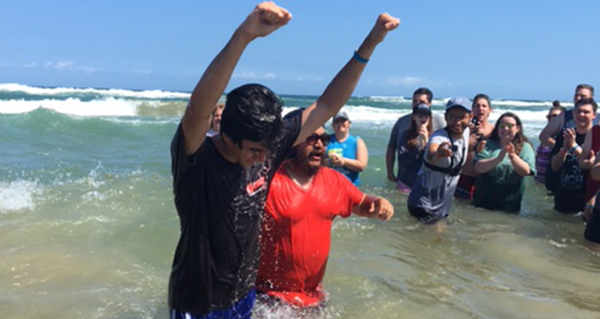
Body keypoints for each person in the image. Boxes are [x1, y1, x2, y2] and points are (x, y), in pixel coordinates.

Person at [168, 3, 400, 318]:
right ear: (226, 135)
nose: (263, 158)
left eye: (267, 149)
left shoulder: (268, 144)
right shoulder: (196, 161)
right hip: (198, 302)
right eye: (253, 150)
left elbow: (327, 103)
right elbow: (198, 108)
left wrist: (369, 44)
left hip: (244, 295)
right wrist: (244, 36)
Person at [255, 126, 393, 313]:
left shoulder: (334, 181)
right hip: (271, 298)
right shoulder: (270, 180)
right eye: (311, 138)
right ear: (294, 142)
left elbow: (362, 204)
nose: (319, 145)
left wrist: (378, 202)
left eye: (324, 139)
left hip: (313, 298)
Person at [407, 97, 472, 224]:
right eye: (452, 117)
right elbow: (431, 153)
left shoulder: (467, 131)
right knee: (437, 239)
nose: (457, 122)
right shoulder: (438, 137)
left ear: (470, 117)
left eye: (461, 117)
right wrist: (439, 153)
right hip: (422, 204)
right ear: (446, 117)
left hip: (442, 206)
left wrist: (477, 147)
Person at [472, 112, 536, 213]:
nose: (505, 129)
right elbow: (477, 167)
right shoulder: (488, 144)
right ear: (497, 128)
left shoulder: (525, 147)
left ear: (517, 128)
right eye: (502, 125)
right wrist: (498, 159)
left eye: (510, 126)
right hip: (483, 203)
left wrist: (513, 156)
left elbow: (526, 171)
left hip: (510, 205)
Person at [386, 87, 446, 183]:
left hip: (429, 180)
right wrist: (390, 173)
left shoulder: (440, 122)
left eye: (421, 101)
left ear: (429, 103)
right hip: (405, 178)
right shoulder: (402, 122)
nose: (417, 104)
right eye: (415, 101)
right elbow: (391, 147)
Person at [550, 99, 596, 213]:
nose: (581, 115)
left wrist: (574, 146)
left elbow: (592, 164)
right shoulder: (566, 134)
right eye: (578, 111)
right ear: (573, 114)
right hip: (563, 195)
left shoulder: (596, 137)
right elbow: (555, 167)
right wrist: (564, 150)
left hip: (586, 198)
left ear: (594, 115)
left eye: (586, 112)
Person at [455, 94, 495, 200]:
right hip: (464, 177)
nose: (480, 109)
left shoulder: (495, 131)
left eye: (484, 106)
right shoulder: (463, 129)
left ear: (490, 110)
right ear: (472, 109)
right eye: (477, 106)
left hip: (485, 179)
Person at [539, 84, 595, 149]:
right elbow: (544, 135)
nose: (578, 98)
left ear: (591, 98)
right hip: (566, 157)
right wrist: (559, 148)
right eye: (576, 95)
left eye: (583, 96)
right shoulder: (563, 117)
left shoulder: (598, 119)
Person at [395, 103, 433, 193]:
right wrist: (419, 146)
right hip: (406, 184)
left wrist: (426, 142)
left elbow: (433, 161)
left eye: (426, 115)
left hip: (426, 185)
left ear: (430, 118)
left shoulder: (435, 136)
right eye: (420, 115)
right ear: (414, 117)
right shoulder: (406, 136)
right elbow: (403, 160)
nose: (423, 118)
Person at [325, 110, 368, 185]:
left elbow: (361, 166)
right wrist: (330, 162)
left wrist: (343, 161)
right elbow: (318, 162)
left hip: (351, 186)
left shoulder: (357, 142)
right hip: (329, 185)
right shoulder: (326, 140)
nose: (340, 123)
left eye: (343, 121)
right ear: (333, 126)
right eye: (337, 121)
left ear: (349, 124)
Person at [535, 104, 565, 185]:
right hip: (540, 179)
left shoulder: (563, 137)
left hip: (553, 181)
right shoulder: (546, 136)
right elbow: (538, 157)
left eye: (555, 116)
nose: (552, 119)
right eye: (549, 117)